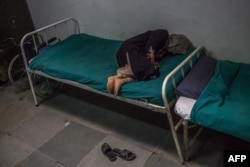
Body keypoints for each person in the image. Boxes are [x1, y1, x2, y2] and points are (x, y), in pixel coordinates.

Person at [107, 29, 169, 95]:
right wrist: (152, 52)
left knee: (146, 68)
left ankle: (120, 80)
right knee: (152, 69)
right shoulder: (164, 33)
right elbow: (151, 45)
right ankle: (118, 76)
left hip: (124, 55)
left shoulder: (163, 48)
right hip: (131, 50)